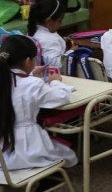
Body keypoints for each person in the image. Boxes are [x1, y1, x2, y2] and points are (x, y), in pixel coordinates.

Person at [0, 35, 77, 170]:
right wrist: (55, 82)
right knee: (69, 155)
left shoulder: (5, 79)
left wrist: (29, 74)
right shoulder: (32, 84)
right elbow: (61, 97)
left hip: (4, 148)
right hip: (28, 146)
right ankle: (41, 181)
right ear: (28, 60)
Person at [28, 0, 75, 68]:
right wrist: (72, 51)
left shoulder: (35, 31)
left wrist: (62, 42)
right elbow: (55, 64)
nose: (61, 23)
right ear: (49, 21)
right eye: (60, 21)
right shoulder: (49, 40)